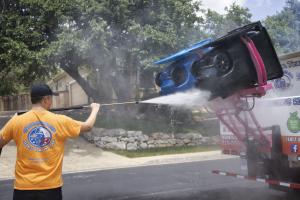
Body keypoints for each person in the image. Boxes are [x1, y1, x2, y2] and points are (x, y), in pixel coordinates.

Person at [0, 84, 101, 200]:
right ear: (46, 99)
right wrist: (95, 109)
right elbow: (87, 126)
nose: (51, 102)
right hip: (50, 189)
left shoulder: (16, 121)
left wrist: (13, 121)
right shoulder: (60, 120)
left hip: (23, 188)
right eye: (51, 99)